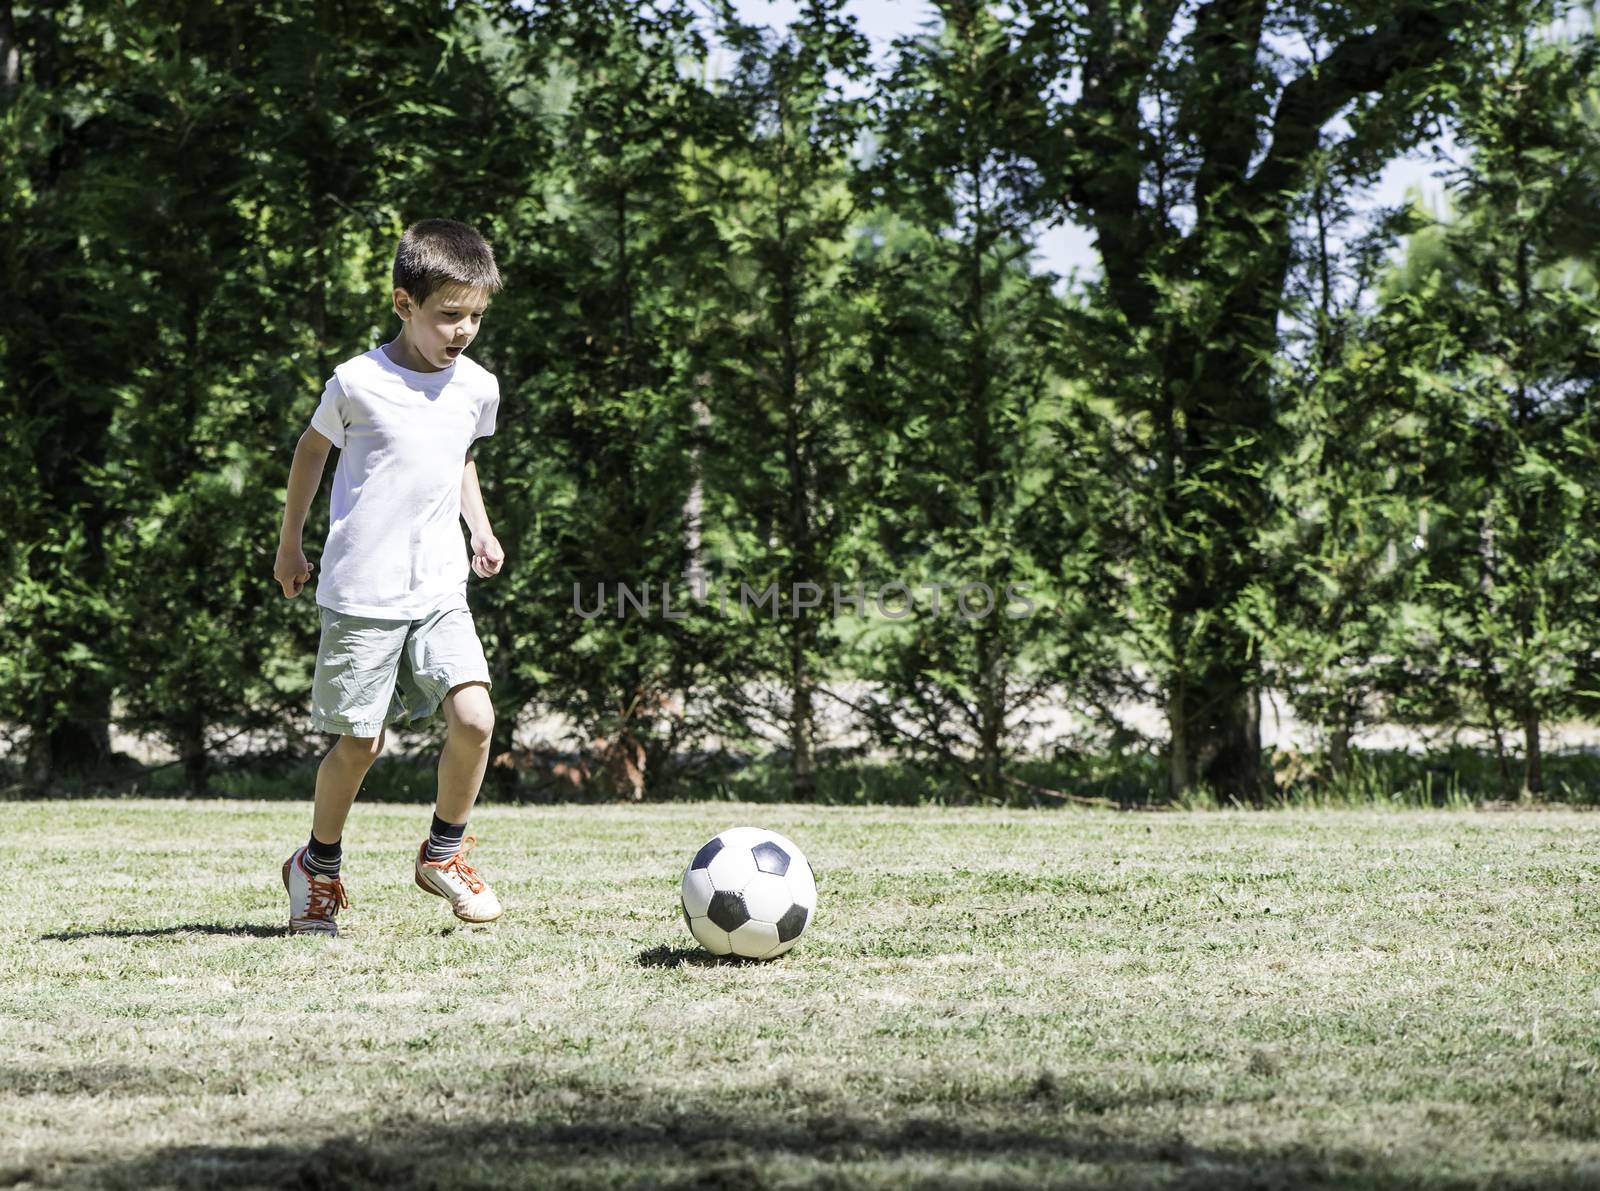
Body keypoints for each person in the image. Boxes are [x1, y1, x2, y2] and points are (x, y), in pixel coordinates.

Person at [272, 218, 507, 936]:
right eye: (448, 315)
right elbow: (311, 453)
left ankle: (444, 851)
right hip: (363, 593)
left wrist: (481, 526)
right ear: (404, 303)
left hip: (439, 587)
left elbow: (458, 453)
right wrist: (291, 544)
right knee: (361, 744)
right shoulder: (357, 381)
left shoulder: (477, 386)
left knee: (475, 717)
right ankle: (317, 864)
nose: (463, 329)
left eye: (474, 315)